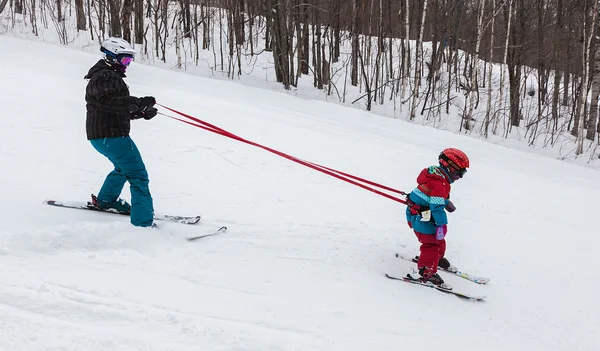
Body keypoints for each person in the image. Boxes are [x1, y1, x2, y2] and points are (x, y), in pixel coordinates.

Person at [84, 37, 158, 227]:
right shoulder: (104, 76)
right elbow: (107, 102)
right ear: (111, 57)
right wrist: (136, 102)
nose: (127, 64)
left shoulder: (106, 76)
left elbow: (114, 108)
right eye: (124, 60)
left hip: (103, 136)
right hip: (112, 136)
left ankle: (106, 200)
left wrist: (141, 112)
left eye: (129, 60)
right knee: (138, 176)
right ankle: (143, 224)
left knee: (123, 168)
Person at [405, 148, 470, 286]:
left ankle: (437, 259)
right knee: (431, 244)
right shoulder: (440, 183)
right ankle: (426, 271)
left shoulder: (436, 176)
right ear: (449, 167)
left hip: (418, 214)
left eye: (463, 173)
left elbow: (433, 197)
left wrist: (446, 202)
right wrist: (442, 224)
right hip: (422, 218)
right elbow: (436, 207)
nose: (460, 177)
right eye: (460, 172)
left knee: (439, 241)